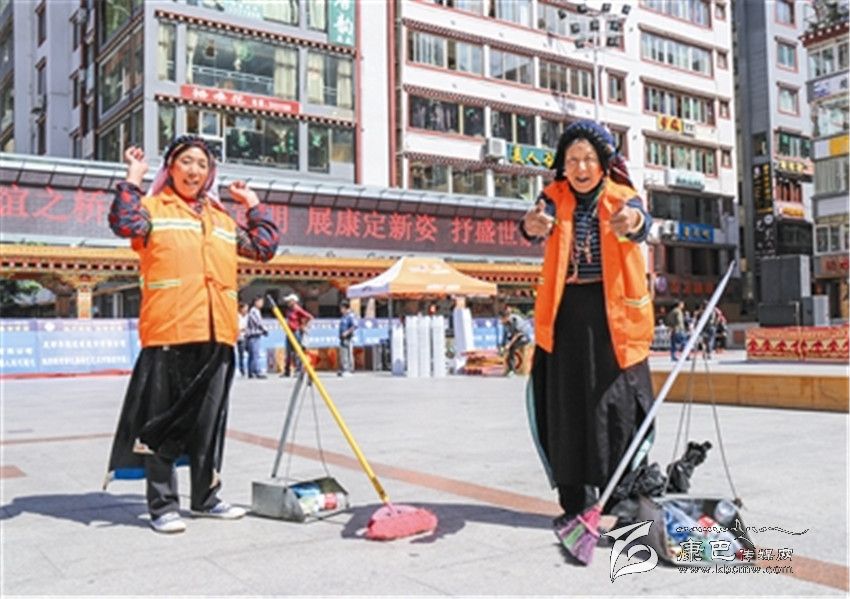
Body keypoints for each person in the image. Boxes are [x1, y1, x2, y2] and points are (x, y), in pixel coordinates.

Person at [103, 135, 279, 534]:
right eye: (186, 162)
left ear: (210, 173)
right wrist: (133, 177)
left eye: (202, 164)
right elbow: (123, 222)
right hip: (170, 330)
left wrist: (253, 204)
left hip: (218, 332)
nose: (194, 170)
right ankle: (163, 505)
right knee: (163, 421)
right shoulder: (151, 209)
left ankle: (205, 498)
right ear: (170, 168)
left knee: (208, 422)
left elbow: (264, 247)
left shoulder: (221, 219)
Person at [520, 120, 655, 528]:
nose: (580, 168)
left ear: (603, 164)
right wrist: (530, 226)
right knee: (567, 405)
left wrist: (634, 223)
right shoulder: (552, 198)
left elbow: (641, 221)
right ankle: (575, 495)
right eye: (572, 159)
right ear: (562, 165)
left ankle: (621, 495)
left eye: (588, 159)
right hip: (564, 318)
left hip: (613, 318)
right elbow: (533, 223)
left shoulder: (622, 197)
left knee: (614, 406)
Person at [281, 293, 313, 377]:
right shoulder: (289, 310)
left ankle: (298, 370)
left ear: (294, 301)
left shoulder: (297, 309)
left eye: (289, 301)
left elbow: (309, 317)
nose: (287, 302)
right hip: (289, 332)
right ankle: (287, 371)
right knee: (288, 352)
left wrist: (304, 326)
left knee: (297, 352)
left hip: (296, 332)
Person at [499, 306, 529, 377]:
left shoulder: (514, 320)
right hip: (514, 338)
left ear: (506, 317)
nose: (500, 320)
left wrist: (509, 345)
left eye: (501, 318)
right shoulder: (505, 323)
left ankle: (512, 370)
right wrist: (502, 346)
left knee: (511, 348)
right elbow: (505, 335)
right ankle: (508, 368)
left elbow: (517, 334)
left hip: (523, 337)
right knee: (506, 347)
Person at [245, 295, 269, 379]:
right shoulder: (254, 311)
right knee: (254, 354)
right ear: (256, 302)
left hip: (255, 335)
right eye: (260, 302)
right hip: (253, 335)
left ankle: (252, 372)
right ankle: (255, 371)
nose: (262, 303)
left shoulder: (255, 311)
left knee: (253, 355)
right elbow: (258, 323)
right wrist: (265, 330)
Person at [337, 299, 357, 377]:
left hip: (348, 338)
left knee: (348, 353)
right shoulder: (343, 316)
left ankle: (349, 369)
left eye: (341, 308)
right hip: (342, 338)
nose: (340, 310)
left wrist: (347, 332)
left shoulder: (350, 316)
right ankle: (344, 368)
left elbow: (354, 326)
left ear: (345, 308)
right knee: (343, 354)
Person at [236, 302, 249, 377]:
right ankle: (242, 370)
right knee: (241, 355)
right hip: (240, 337)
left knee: (249, 353)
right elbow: (237, 327)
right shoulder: (237, 316)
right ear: (241, 309)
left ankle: (249, 369)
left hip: (246, 336)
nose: (246, 310)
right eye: (245, 308)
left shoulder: (246, 316)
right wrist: (242, 329)